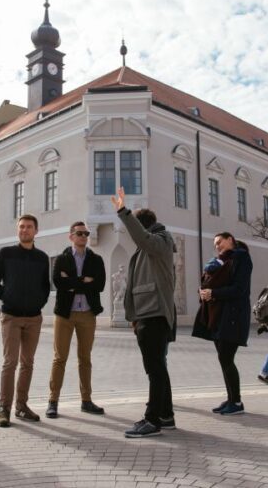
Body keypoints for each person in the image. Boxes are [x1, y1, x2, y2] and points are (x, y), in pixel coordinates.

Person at [111, 187, 176, 438]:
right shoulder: (149, 247)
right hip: (146, 314)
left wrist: (123, 212)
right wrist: (135, 316)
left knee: (155, 369)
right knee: (158, 367)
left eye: (135, 228)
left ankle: (152, 420)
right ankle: (166, 416)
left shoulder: (160, 240)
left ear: (142, 226)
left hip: (155, 314)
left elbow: (142, 237)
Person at [0, 214, 51, 428]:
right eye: (21, 227)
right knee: (10, 362)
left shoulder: (42, 257)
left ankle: (21, 406)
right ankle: (4, 409)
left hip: (34, 317)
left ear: (36, 231)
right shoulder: (6, 253)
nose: (25, 230)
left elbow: (45, 286)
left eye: (29, 227)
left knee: (28, 363)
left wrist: (39, 302)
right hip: (11, 316)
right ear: (18, 230)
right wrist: (7, 297)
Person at [46, 221, 107, 419]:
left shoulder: (96, 259)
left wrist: (72, 283)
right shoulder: (61, 259)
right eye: (79, 233)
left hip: (88, 314)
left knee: (85, 358)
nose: (83, 236)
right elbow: (58, 283)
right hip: (65, 314)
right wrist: (84, 281)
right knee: (59, 358)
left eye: (86, 233)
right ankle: (53, 401)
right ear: (71, 236)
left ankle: (86, 401)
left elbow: (100, 284)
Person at [199, 233, 253, 416]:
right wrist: (205, 291)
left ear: (230, 239)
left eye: (219, 242)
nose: (217, 246)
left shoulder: (242, 258)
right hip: (220, 316)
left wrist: (213, 293)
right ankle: (231, 399)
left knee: (226, 359)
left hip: (233, 316)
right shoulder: (221, 262)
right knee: (224, 359)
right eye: (215, 244)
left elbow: (239, 289)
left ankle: (236, 402)